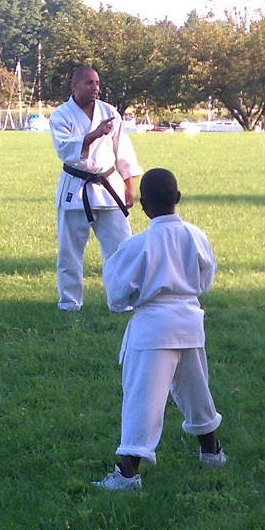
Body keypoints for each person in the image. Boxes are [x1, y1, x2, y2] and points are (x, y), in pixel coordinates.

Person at [93, 168, 225, 491]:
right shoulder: (196, 236)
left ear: (143, 205)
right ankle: (212, 453)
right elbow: (205, 279)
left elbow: (117, 293)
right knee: (197, 393)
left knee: (142, 401)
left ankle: (126, 474)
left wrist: (133, 302)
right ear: (177, 199)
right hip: (190, 324)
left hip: (152, 330)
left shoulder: (137, 245)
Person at [50, 66, 142, 311]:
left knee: (121, 249)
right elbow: (65, 149)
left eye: (97, 83)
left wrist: (129, 185)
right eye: (89, 83)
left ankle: (121, 301)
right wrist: (94, 134)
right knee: (70, 254)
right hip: (75, 189)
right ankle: (70, 303)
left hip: (108, 187)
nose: (95, 88)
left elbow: (123, 151)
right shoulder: (60, 115)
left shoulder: (109, 112)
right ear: (74, 85)